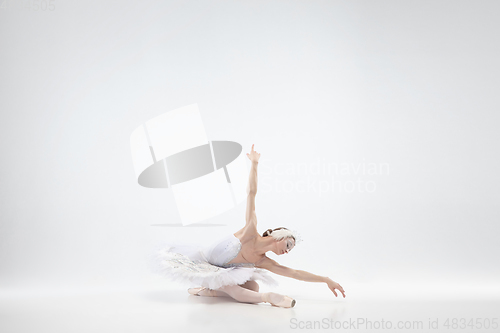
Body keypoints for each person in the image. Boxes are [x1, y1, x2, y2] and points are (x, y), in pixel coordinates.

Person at [154, 144, 346, 308]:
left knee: (253, 286)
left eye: (291, 250)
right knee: (241, 289)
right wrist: (254, 164)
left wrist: (325, 279)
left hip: (224, 272)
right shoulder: (250, 230)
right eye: (288, 245)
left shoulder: (262, 261)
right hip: (206, 262)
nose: (287, 251)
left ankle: (208, 292)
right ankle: (267, 298)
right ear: (279, 235)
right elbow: (251, 194)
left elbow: (294, 273)